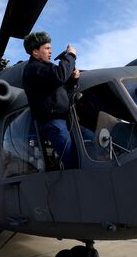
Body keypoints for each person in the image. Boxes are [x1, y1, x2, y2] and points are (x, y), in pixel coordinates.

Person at [22, 31, 88, 169]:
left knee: (92, 141)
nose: (50, 51)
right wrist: (71, 55)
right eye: (46, 48)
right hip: (54, 123)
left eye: (50, 48)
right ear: (35, 52)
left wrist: (73, 80)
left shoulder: (47, 69)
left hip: (68, 121)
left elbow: (63, 91)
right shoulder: (34, 69)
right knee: (74, 164)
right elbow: (60, 76)